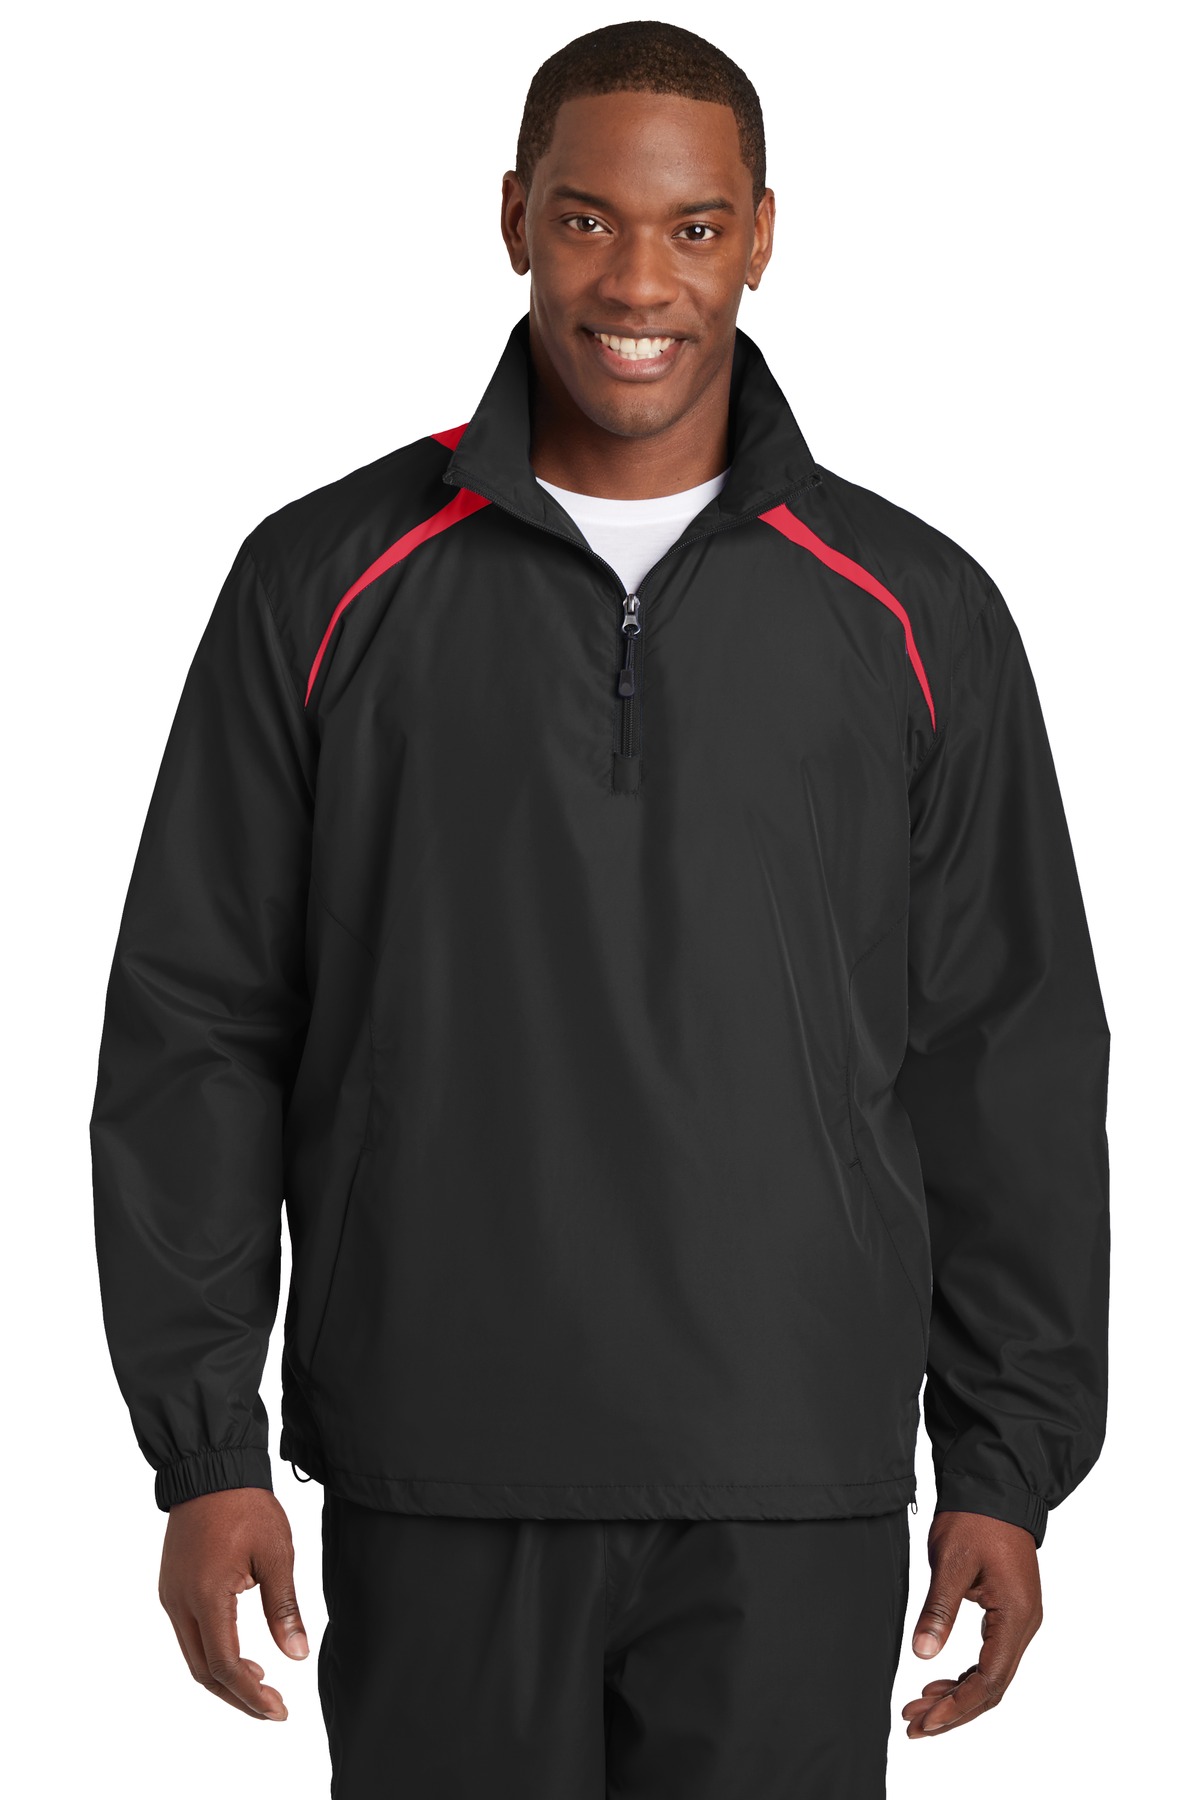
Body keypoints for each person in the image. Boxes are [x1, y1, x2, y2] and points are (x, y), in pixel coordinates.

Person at [89, 19, 1111, 1799]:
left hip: (790, 1481)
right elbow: (199, 1021)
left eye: (694, 228)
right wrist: (205, 1446)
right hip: (437, 1463)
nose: (640, 283)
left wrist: (1005, 1467)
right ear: (513, 218)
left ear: (763, 236)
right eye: (587, 221)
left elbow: (1003, 1053)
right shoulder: (323, 580)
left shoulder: (913, 607)